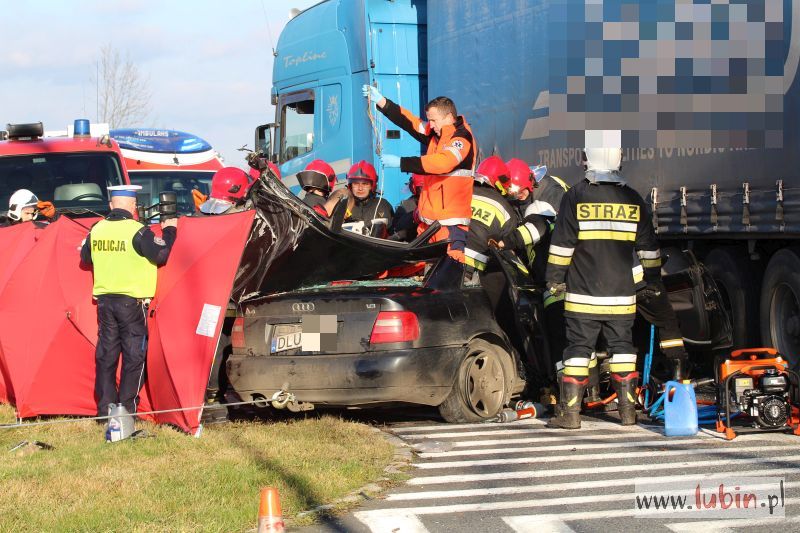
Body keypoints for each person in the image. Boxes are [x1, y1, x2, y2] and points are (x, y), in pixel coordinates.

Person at [545, 131, 661, 429]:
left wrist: (555, 279)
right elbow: (648, 248)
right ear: (618, 157)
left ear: (588, 157)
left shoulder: (576, 196)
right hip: (622, 296)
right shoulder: (633, 198)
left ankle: (570, 416)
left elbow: (562, 245)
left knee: (578, 350)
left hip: (583, 295)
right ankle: (628, 413)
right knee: (622, 348)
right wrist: (651, 278)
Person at [80, 184, 177, 417]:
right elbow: (162, 255)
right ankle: (127, 410)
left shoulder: (97, 229)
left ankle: (105, 410)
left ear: (111, 205)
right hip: (132, 303)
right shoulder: (139, 231)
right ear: (134, 207)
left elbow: (85, 257)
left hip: (104, 302)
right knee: (134, 356)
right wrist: (171, 231)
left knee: (106, 356)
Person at [363, 86, 474, 262]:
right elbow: (410, 122)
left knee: (450, 271)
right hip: (430, 224)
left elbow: (443, 162)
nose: (431, 125)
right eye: (429, 120)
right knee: (424, 274)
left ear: (448, 117)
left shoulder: (461, 138)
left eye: (434, 120)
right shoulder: (435, 134)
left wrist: (401, 162)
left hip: (450, 224)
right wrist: (382, 102)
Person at [466, 156, 518, 312]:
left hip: (445, 262)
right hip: (476, 270)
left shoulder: (461, 192)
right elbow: (507, 245)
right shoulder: (506, 209)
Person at [320, 161, 393, 237]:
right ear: (350, 185)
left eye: (365, 184)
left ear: (372, 186)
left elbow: (392, 235)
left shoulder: (383, 205)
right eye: (356, 184)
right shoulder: (343, 204)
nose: (360, 188)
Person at [388, 173, 424, 242]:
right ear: (414, 187)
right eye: (421, 187)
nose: (425, 191)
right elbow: (397, 229)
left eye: (428, 187)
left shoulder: (439, 203)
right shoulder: (406, 206)